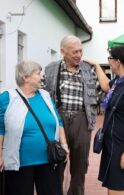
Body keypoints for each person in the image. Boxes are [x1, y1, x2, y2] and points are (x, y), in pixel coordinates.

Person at [0, 61, 68, 195]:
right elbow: (0, 128)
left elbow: (58, 121)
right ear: (25, 77)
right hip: (20, 164)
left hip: (49, 160)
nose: (42, 77)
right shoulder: (7, 97)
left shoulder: (45, 95)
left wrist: (64, 144)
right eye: (38, 74)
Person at [44, 35, 98, 195]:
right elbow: (44, 94)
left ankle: (76, 192)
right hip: (58, 118)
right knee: (57, 158)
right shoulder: (51, 68)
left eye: (81, 51)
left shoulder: (88, 69)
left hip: (82, 118)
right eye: (75, 52)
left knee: (80, 162)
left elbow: (101, 89)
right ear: (63, 51)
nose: (79, 55)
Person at [86, 45, 124, 195]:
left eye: (109, 59)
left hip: (121, 146)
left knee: (117, 189)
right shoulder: (119, 82)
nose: (109, 62)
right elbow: (105, 85)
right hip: (112, 143)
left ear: (117, 61)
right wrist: (97, 66)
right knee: (114, 187)